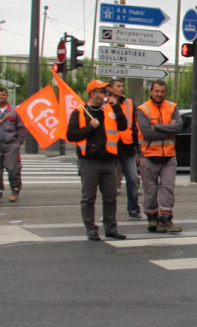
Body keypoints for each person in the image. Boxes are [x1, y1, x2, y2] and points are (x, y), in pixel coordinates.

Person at [66, 80, 128, 241]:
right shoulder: (79, 113)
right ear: (93, 94)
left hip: (108, 160)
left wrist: (116, 107)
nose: (107, 94)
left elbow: (122, 126)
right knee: (88, 197)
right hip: (89, 161)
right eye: (103, 92)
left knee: (110, 196)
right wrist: (89, 127)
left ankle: (110, 227)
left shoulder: (109, 110)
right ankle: (91, 229)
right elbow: (71, 135)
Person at [136, 79, 183, 234]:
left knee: (168, 188)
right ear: (151, 91)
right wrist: (169, 129)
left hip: (169, 155)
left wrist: (156, 126)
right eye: (156, 91)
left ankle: (166, 219)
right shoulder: (143, 109)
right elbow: (147, 133)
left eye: (162, 91)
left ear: (165, 92)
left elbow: (179, 126)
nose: (159, 94)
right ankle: (152, 218)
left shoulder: (172, 107)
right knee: (150, 189)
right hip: (149, 156)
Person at [107, 78, 141, 220]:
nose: (121, 88)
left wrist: (136, 148)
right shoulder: (105, 103)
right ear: (110, 88)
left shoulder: (129, 103)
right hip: (110, 147)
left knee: (133, 179)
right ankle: (108, 213)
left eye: (122, 86)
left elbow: (135, 126)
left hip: (127, 147)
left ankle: (134, 210)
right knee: (109, 183)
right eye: (118, 86)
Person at [0, 86, 26, 204]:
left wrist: (18, 142)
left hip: (11, 145)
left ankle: (15, 189)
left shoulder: (14, 111)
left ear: (7, 96)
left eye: (3, 95)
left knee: (13, 169)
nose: (1, 97)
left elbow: (21, 128)